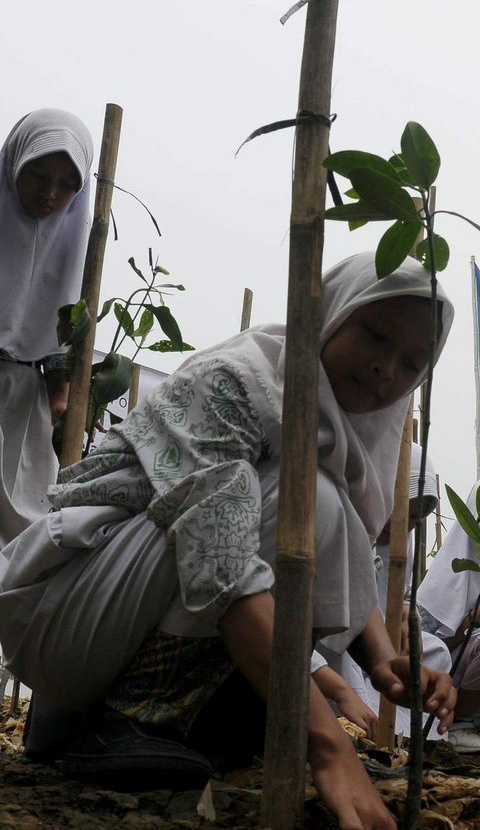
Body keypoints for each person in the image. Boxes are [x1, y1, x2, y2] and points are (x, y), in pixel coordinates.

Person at [0, 251, 457, 829]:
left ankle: (184, 723)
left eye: (412, 361)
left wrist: (388, 662)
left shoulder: (342, 433)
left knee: (321, 502)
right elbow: (223, 565)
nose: (386, 369)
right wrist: (327, 747)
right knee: (302, 498)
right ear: (333, 313)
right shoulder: (238, 383)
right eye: (374, 335)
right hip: (63, 612)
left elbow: (342, 556)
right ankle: (130, 719)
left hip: (120, 616)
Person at [0, 107, 93, 547]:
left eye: (67, 185)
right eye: (38, 176)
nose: (50, 194)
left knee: (21, 536)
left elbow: (58, 344)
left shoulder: (72, 242)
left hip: (23, 403)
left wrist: (62, 403)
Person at [315, 443, 451, 741]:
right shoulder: (334, 519)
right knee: (342, 661)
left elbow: (383, 597)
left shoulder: (403, 539)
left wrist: (403, 614)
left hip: (373, 644)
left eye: (418, 518)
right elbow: (346, 604)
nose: (410, 525)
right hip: (328, 640)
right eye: (406, 512)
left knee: (435, 652)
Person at [418, 479, 480, 752]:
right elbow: (425, 650)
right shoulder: (445, 582)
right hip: (449, 683)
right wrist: (471, 620)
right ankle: (459, 723)